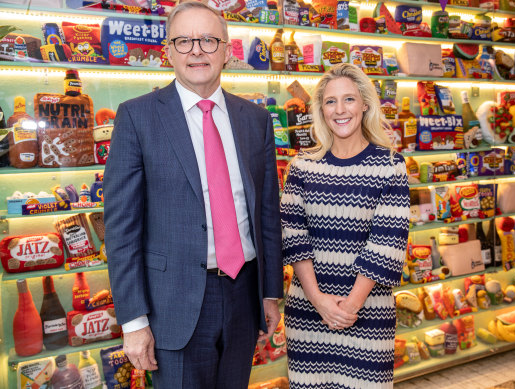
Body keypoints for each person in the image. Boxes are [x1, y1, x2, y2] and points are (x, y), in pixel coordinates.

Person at [103, 2, 283, 387]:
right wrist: (134, 322)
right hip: (172, 305)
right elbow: (121, 229)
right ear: (168, 51)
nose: (196, 50)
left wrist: (270, 293)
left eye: (208, 40)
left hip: (243, 295)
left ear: (227, 50)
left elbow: (267, 213)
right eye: (184, 41)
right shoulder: (137, 117)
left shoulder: (255, 119)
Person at [280, 63, 410, 388]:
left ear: (365, 104)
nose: (340, 110)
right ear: (320, 110)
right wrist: (319, 300)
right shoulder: (302, 166)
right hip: (309, 313)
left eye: (349, 99)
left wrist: (348, 307)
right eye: (330, 101)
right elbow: (293, 236)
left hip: (367, 313)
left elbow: (387, 243)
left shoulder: (390, 166)